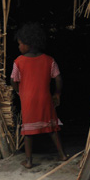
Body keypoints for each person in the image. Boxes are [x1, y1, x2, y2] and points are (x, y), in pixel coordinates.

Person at [11, 23, 67, 169]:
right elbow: (58, 78)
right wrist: (57, 94)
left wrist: (19, 92)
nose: (19, 47)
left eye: (20, 44)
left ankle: (29, 161)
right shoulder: (49, 60)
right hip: (45, 98)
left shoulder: (18, 62)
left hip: (27, 99)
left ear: (27, 44)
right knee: (52, 127)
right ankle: (62, 154)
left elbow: (13, 80)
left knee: (28, 131)